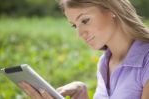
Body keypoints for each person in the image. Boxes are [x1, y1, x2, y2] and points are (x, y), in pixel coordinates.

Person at [19, 0, 149, 99]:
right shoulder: (105, 62)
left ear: (111, 9)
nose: (80, 34)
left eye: (85, 20)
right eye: (74, 26)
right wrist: (82, 92)